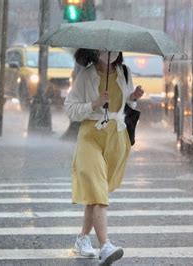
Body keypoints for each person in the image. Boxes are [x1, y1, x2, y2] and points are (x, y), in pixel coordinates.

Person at [64, 48, 144, 265]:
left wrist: (133, 98)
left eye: (115, 50)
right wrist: (95, 104)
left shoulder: (124, 72)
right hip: (91, 137)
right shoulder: (86, 75)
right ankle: (106, 245)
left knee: (95, 193)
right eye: (104, 50)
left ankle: (82, 239)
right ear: (95, 51)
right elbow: (70, 109)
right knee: (99, 191)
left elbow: (126, 104)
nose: (110, 54)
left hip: (116, 139)